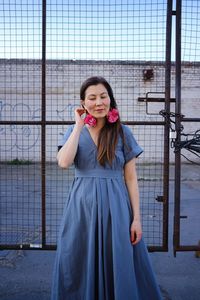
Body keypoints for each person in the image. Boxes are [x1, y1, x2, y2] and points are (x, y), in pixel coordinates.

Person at [51, 76, 162, 300]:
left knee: (118, 260)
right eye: (92, 98)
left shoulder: (123, 133)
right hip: (81, 210)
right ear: (83, 103)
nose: (98, 102)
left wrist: (137, 219)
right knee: (77, 257)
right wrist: (78, 125)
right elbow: (63, 162)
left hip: (117, 210)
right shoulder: (75, 131)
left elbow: (131, 179)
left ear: (111, 100)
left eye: (103, 96)